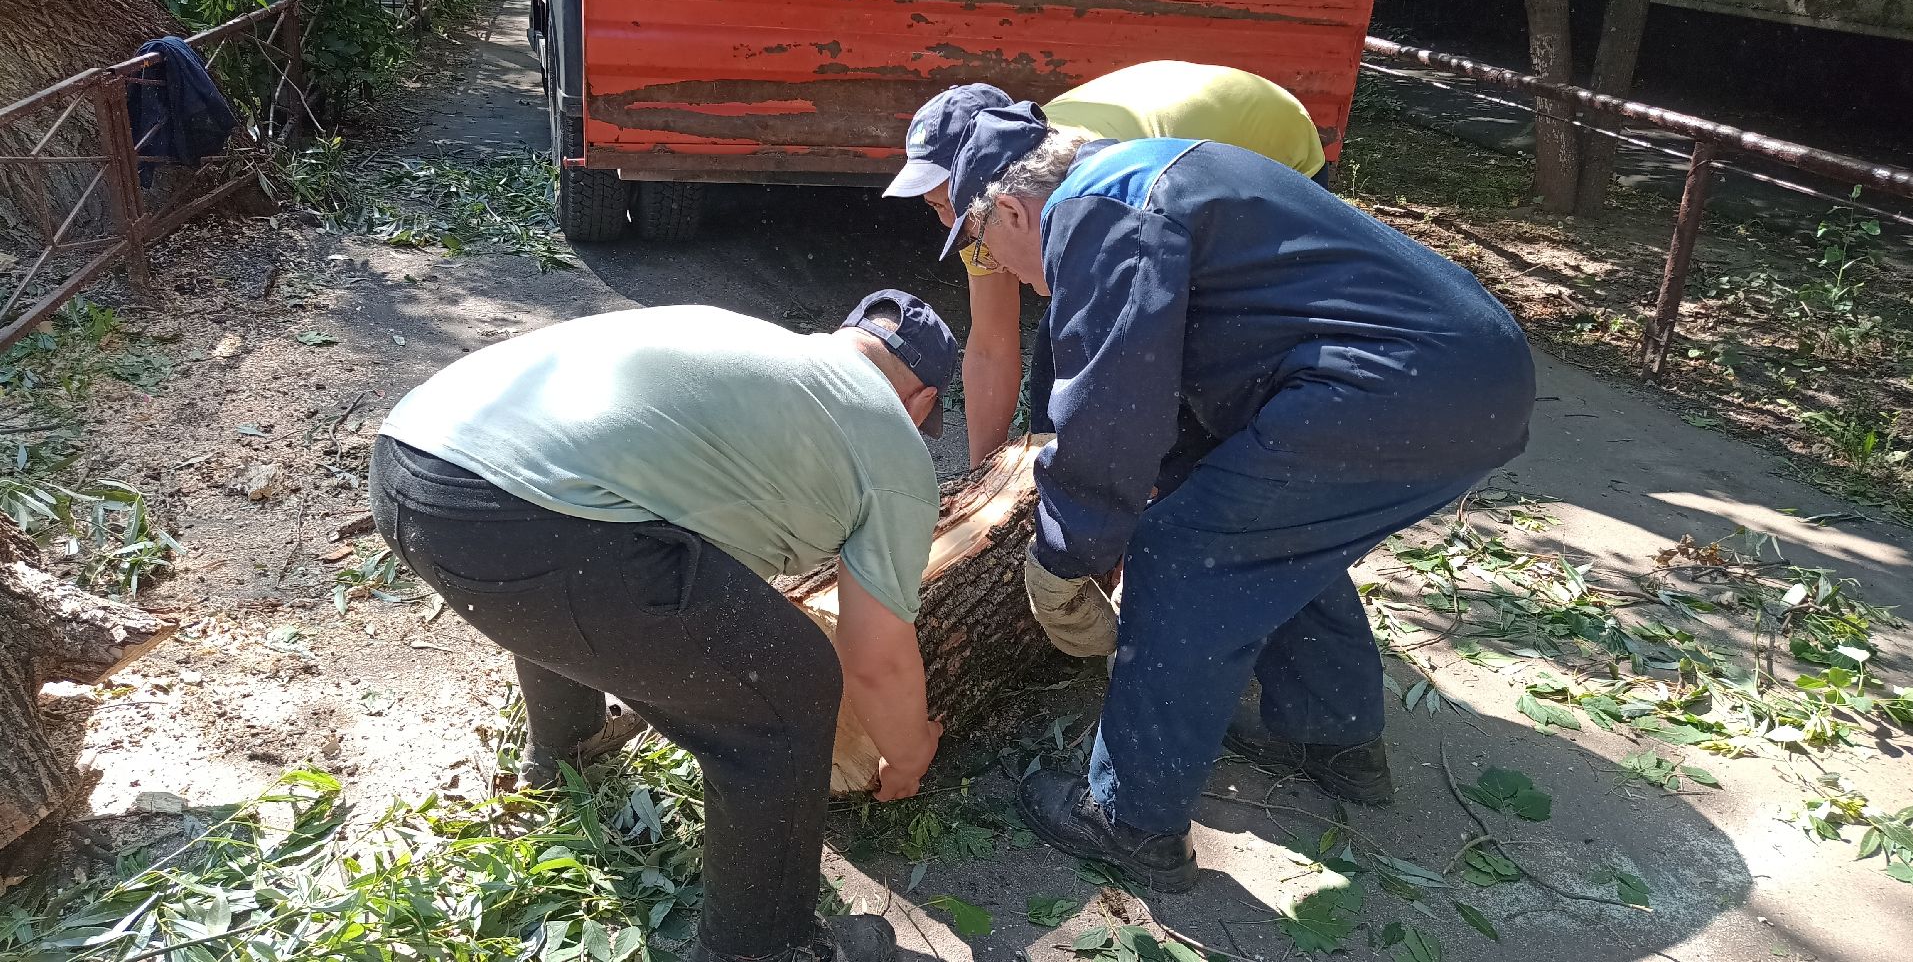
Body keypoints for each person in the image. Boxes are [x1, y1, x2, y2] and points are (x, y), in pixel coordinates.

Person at [941, 104, 1536, 892]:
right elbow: (1166, 366)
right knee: (1267, 532)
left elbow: (1111, 406)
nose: (1006, 273)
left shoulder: (1102, 212)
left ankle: (1127, 818)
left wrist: (1066, 553)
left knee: (1186, 555)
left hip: (1390, 386)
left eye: (988, 249)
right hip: (1475, 374)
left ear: (1013, 209)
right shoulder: (1148, 175)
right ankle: (1330, 737)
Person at [370, 294, 958, 962]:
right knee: (790, 691)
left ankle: (567, 748)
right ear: (920, 403)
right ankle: (765, 948)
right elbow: (874, 658)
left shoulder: (756, 348)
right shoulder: (893, 449)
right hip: (512, 527)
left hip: (410, 463)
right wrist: (907, 755)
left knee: (587, 527)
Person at [882, 62, 1328, 468]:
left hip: (1272, 143)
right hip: (1180, 138)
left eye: (950, 202)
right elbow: (990, 344)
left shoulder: (1080, 177)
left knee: (1191, 351)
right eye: (936, 206)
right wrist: (984, 478)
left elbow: (1128, 343)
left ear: (988, 175)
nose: (949, 222)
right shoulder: (982, 206)